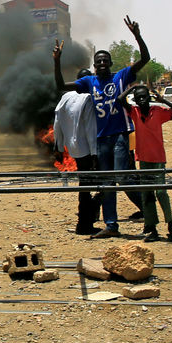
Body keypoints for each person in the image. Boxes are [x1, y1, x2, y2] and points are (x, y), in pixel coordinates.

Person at [54, 15, 149, 239]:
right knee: (107, 181)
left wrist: (137, 36)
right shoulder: (89, 82)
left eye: (106, 61)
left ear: (111, 64)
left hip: (119, 135)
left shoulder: (122, 76)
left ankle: (149, 212)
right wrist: (57, 61)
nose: (102, 64)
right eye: (99, 62)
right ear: (94, 66)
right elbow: (60, 86)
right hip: (101, 138)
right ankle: (111, 225)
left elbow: (145, 58)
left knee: (121, 177)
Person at [119, 84, 172, 242]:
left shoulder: (158, 111)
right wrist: (132, 88)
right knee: (147, 195)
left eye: (144, 96)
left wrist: (163, 101)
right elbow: (120, 99)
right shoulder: (134, 112)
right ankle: (152, 228)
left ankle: (171, 226)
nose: (141, 100)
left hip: (158, 159)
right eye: (138, 97)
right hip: (143, 159)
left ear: (149, 98)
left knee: (161, 193)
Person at [53, 68, 99, 235]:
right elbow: (90, 129)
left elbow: (57, 123)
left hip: (73, 148)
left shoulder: (65, 97)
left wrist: (58, 147)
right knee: (99, 185)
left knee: (85, 186)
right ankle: (85, 224)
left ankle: (87, 220)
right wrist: (95, 154)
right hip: (87, 149)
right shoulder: (87, 98)